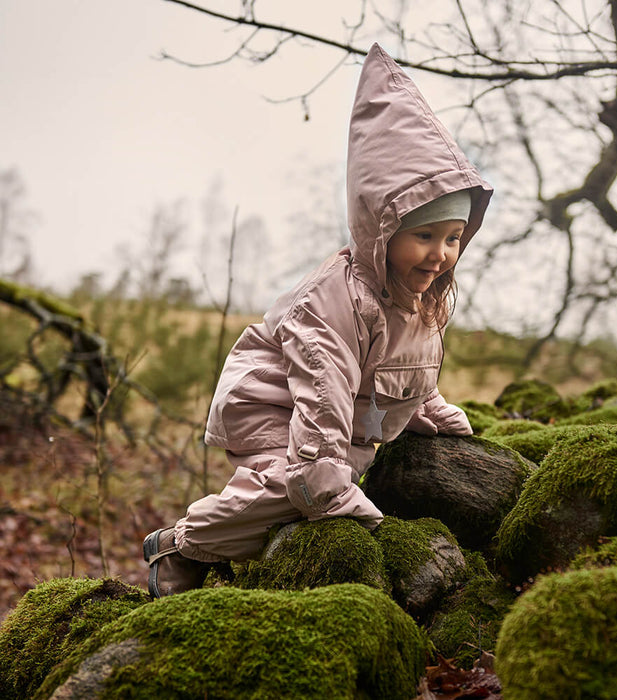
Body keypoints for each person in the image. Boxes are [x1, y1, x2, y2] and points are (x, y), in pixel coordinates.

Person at [143, 43, 492, 598]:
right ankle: (181, 543)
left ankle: (235, 544)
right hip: (271, 397)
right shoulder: (334, 302)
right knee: (299, 485)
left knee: (332, 474)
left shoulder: (422, 294)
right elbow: (322, 394)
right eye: (424, 236)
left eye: (453, 239)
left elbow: (399, 361)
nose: (440, 255)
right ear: (383, 230)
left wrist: (424, 405)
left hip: (342, 414)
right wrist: (328, 488)